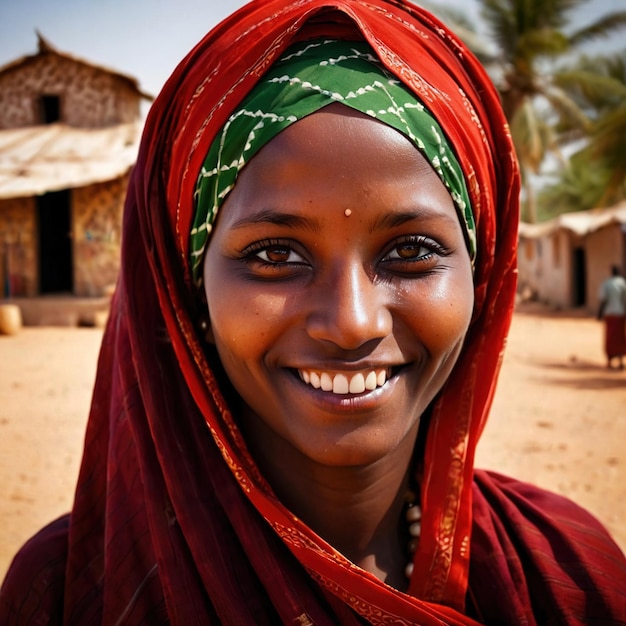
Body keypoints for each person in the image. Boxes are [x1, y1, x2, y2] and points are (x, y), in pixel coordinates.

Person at [2, 1, 626, 623]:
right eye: (276, 254)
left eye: (412, 251)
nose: (353, 322)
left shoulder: (566, 574)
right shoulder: (69, 595)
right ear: (187, 291)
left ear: (481, 276)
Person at [597, 264, 626, 369]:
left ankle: (609, 361)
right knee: (620, 337)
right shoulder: (623, 283)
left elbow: (603, 300)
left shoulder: (607, 283)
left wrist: (599, 314)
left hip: (610, 314)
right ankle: (620, 360)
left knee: (610, 337)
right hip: (620, 314)